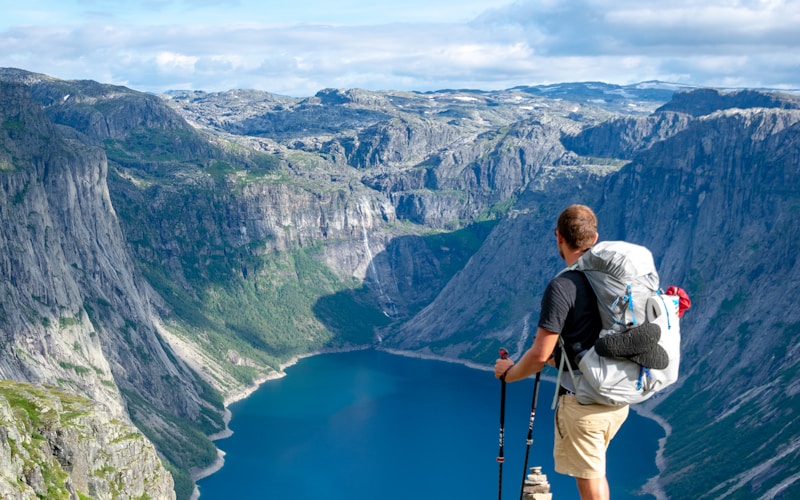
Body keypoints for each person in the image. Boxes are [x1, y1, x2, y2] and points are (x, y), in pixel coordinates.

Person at [494, 204, 629, 500]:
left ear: (558, 237)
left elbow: (539, 355)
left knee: (589, 482)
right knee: (596, 473)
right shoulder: (612, 278)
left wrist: (509, 375)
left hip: (585, 404)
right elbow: (589, 342)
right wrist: (559, 357)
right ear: (595, 237)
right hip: (619, 396)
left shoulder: (563, 285)